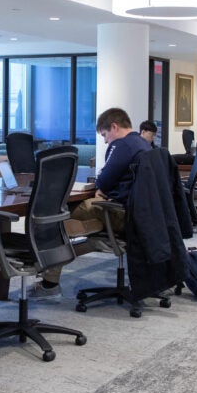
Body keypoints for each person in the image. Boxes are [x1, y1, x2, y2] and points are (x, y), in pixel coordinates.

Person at [36, 107, 151, 297]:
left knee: (56, 216)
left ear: (114, 127)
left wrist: (103, 189)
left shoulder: (123, 145)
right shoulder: (143, 144)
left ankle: (49, 282)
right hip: (139, 215)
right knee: (77, 216)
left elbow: (103, 181)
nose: (105, 141)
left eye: (105, 135)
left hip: (123, 214)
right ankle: (59, 260)